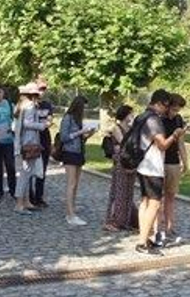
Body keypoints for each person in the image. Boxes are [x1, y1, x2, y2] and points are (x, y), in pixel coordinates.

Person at [137, 90, 186, 256]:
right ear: (161, 104)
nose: (168, 110)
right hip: (152, 167)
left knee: (145, 202)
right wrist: (174, 135)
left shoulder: (142, 117)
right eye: (167, 106)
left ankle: (143, 239)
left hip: (144, 165)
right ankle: (144, 241)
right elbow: (162, 145)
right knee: (154, 203)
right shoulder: (154, 120)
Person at [157, 93, 190, 245]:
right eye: (173, 109)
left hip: (174, 162)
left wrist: (185, 162)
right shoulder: (159, 119)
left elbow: (181, 142)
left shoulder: (178, 119)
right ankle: (158, 228)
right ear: (168, 106)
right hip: (160, 161)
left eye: (178, 110)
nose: (175, 112)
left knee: (171, 196)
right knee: (158, 197)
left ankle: (170, 227)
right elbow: (160, 143)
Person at [58, 95, 97, 226]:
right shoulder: (68, 118)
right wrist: (80, 132)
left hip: (79, 151)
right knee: (71, 183)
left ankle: (72, 208)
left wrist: (89, 134)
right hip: (69, 152)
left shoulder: (78, 119)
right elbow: (63, 137)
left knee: (76, 184)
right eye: (84, 108)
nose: (85, 111)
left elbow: (81, 138)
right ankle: (70, 214)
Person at [103, 105, 140, 232]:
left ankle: (126, 219)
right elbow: (125, 143)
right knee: (119, 191)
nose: (132, 116)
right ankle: (114, 221)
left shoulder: (131, 128)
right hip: (121, 162)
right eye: (131, 113)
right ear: (125, 115)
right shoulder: (116, 128)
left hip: (131, 162)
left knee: (128, 192)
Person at [12, 84, 48, 215]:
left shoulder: (21, 105)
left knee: (26, 173)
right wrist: (42, 125)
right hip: (30, 143)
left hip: (23, 142)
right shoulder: (30, 106)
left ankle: (25, 201)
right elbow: (28, 124)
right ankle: (19, 203)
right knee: (25, 174)